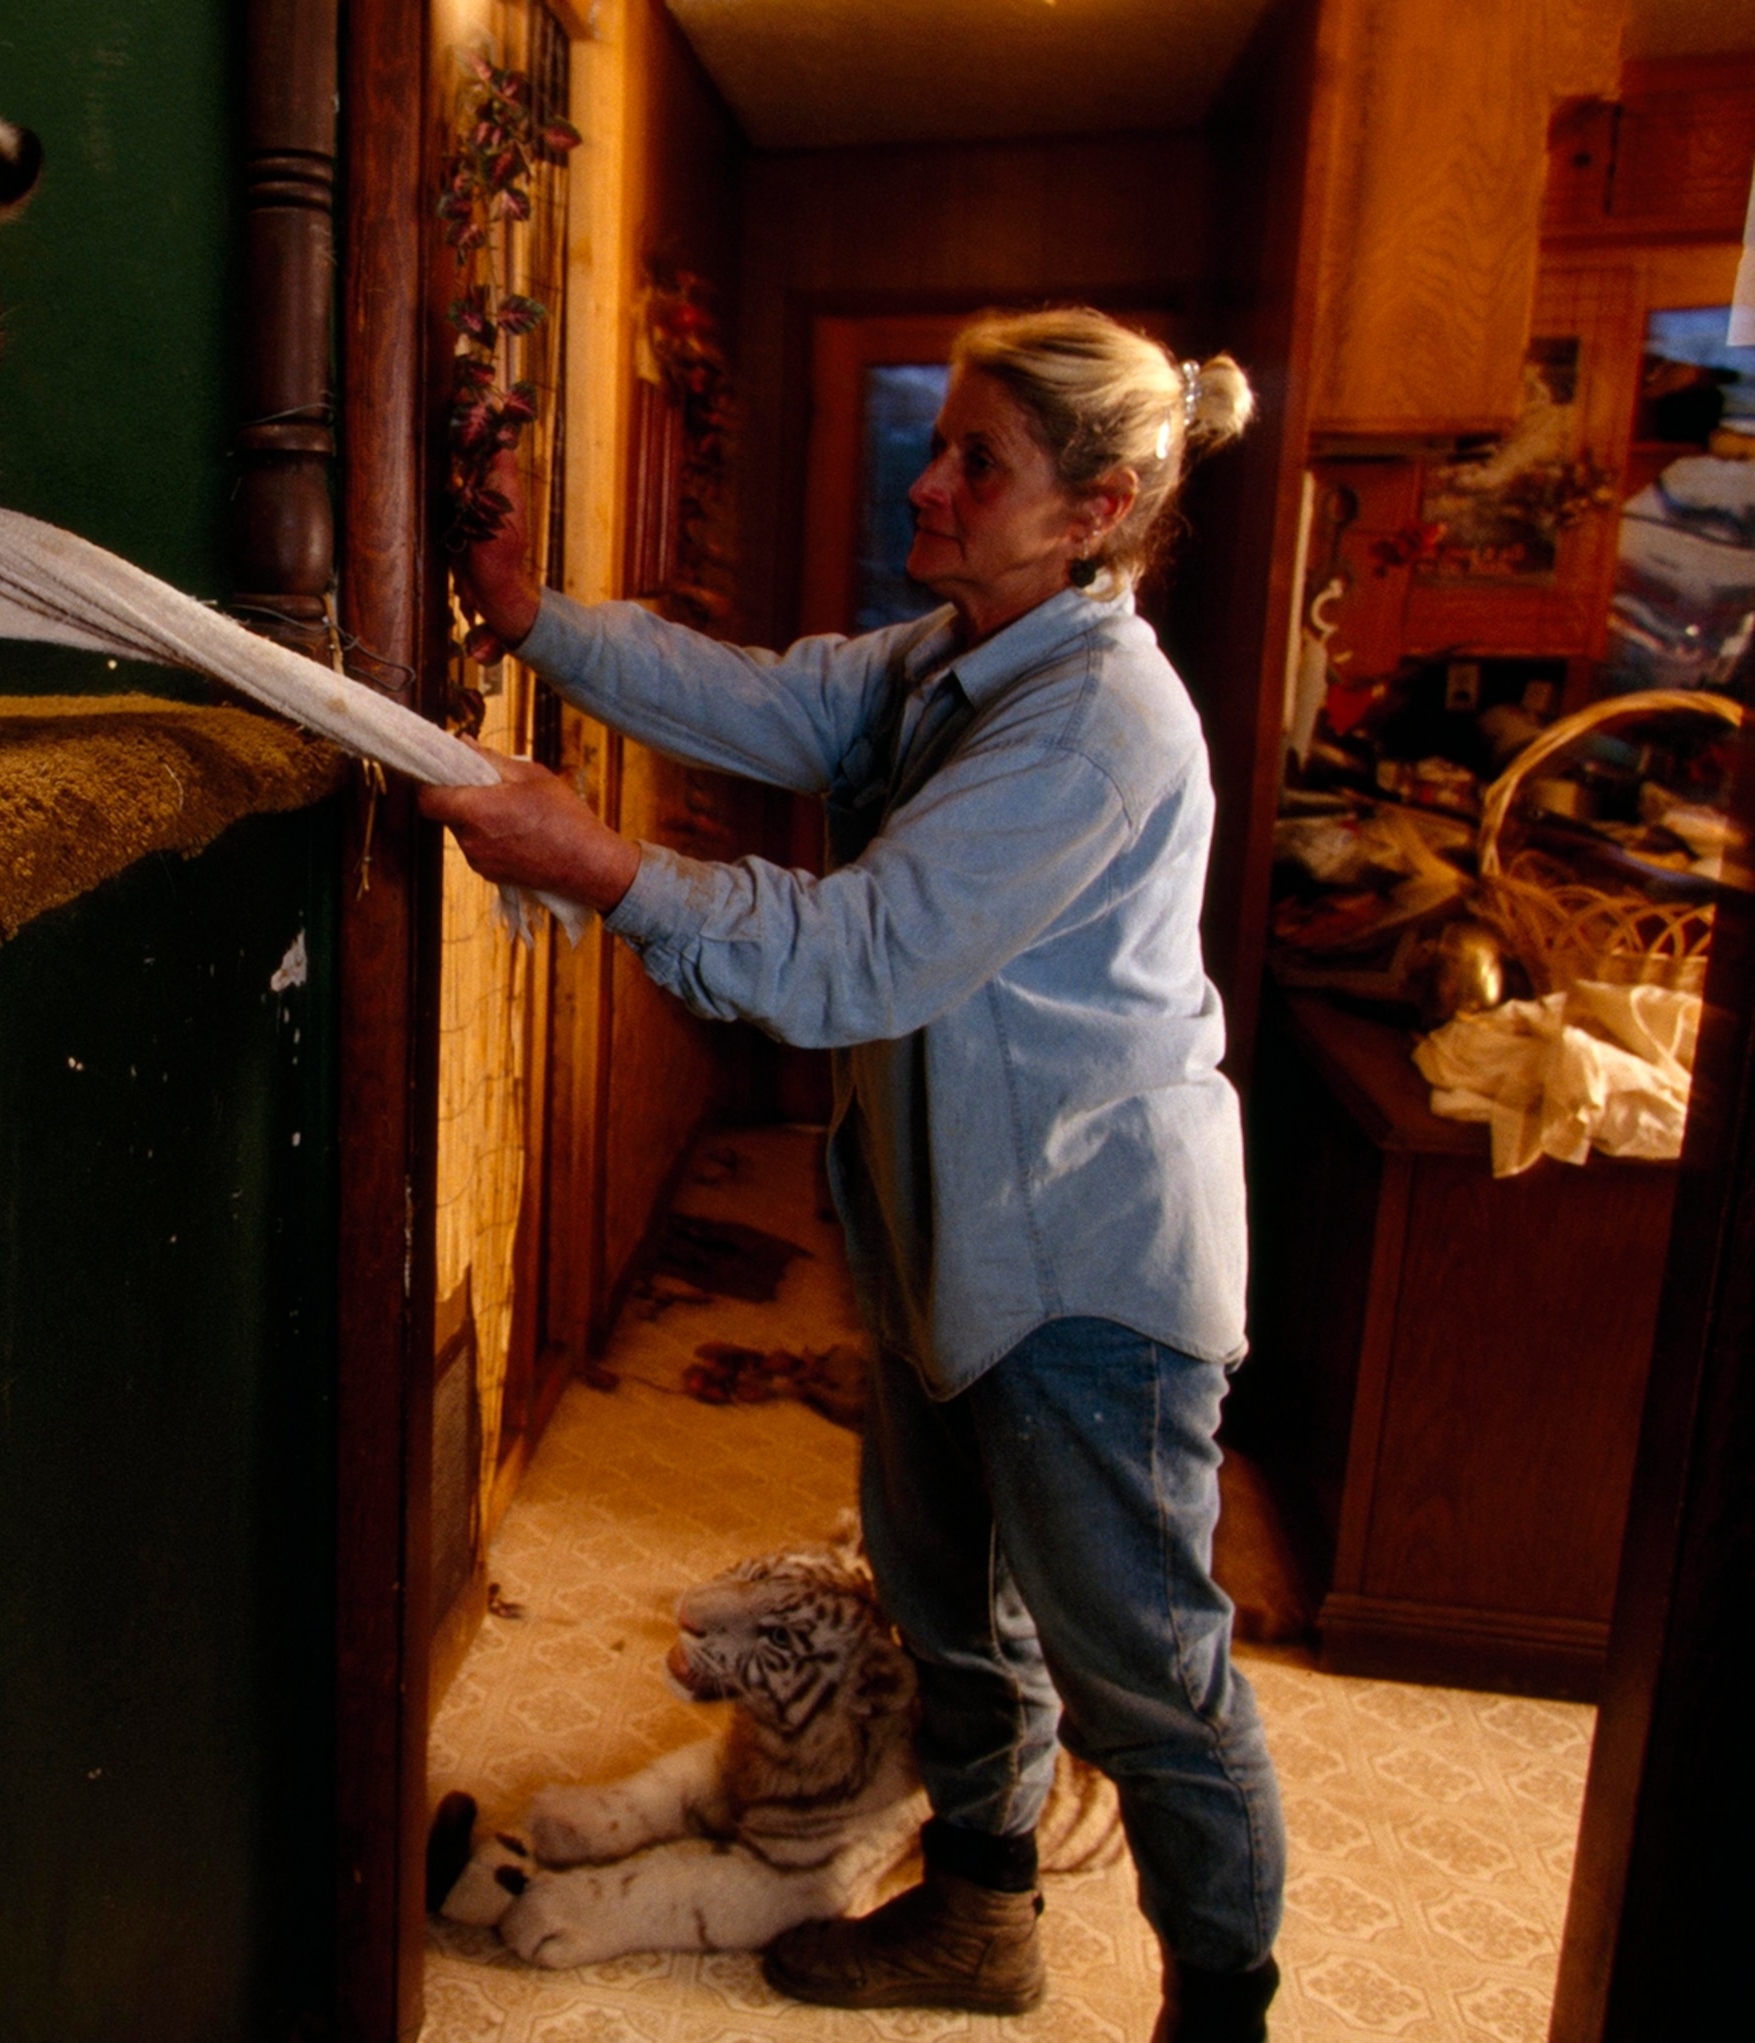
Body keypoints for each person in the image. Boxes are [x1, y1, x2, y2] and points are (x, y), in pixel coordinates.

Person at [425, 308, 1285, 2043]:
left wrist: (598, 866)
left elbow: (856, 957)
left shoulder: (1101, 723)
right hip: (951, 1239)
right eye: (944, 440)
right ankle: (982, 1922)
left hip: (1092, 1269)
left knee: (1149, 1682)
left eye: (983, 461)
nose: (932, 477)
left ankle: (1224, 2014)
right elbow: (767, 696)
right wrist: (530, 621)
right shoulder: (958, 660)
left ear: (1098, 507)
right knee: (954, 1619)